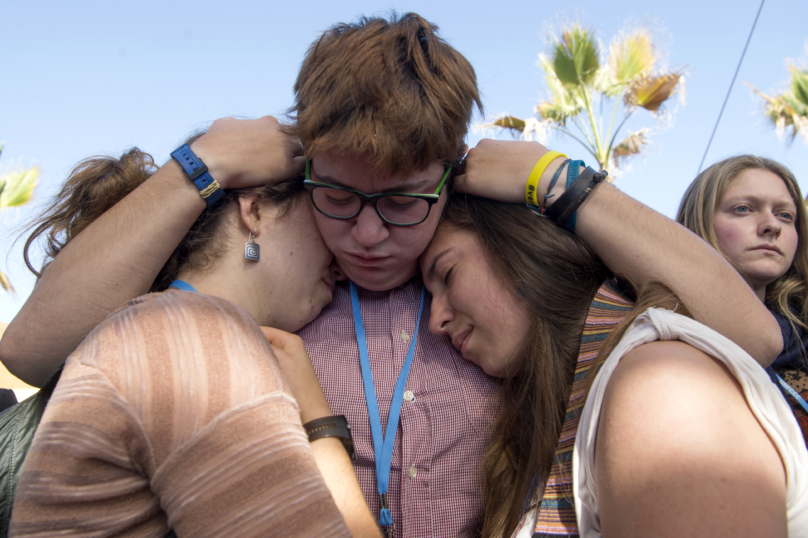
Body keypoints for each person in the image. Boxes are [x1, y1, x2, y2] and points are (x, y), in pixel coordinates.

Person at [0, 13, 790, 538]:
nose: (370, 234)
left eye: (405, 202)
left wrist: (563, 181)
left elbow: (752, 335)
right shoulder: (274, 279)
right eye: (339, 198)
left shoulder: (495, 267)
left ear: (449, 175)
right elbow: (33, 350)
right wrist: (198, 165)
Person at [420, 141, 808, 537]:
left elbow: (762, 339)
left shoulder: (661, 386)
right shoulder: (559, 410)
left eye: (448, 275)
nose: (435, 320)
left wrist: (551, 177)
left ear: (521, 248)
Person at [8, 145, 379, 537]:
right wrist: (321, 428)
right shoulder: (195, 338)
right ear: (254, 212)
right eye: (326, 212)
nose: (343, 261)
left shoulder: (153, 327)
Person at [677, 155, 808, 438]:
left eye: (785, 215)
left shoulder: (802, 332)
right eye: (744, 209)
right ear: (699, 220)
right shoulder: (668, 332)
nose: (772, 226)